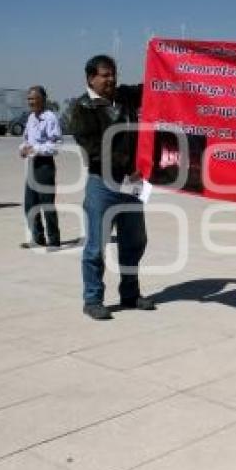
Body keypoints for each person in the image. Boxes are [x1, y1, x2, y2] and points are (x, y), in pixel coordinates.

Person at [70, 54, 154, 320]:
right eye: (105, 75)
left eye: (113, 74)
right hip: (102, 185)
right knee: (96, 246)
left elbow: (153, 88)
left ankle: (130, 294)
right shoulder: (82, 109)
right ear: (90, 78)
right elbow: (95, 150)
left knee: (135, 241)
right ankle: (92, 299)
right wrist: (128, 167)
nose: (111, 79)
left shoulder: (124, 96)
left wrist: (171, 65)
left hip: (131, 186)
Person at [19, 85, 62, 248]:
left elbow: (56, 145)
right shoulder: (31, 118)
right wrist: (23, 148)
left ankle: (54, 239)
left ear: (42, 100)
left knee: (47, 204)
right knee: (30, 204)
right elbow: (26, 139)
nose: (30, 102)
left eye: (33, 98)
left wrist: (36, 149)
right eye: (29, 99)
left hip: (45, 166)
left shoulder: (50, 118)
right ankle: (38, 238)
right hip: (32, 164)